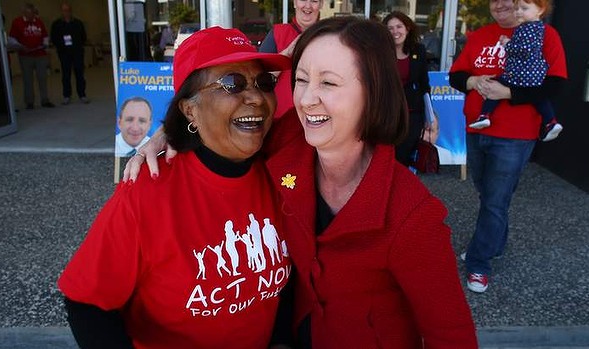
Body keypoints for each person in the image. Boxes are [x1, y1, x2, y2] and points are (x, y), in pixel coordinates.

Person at [127, 16, 478, 348]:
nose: (307, 98)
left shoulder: (413, 215)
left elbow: (451, 333)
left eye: (328, 82)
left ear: (374, 92)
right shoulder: (288, 142)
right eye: (302, 79)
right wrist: (169, 132)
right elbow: (222, 118)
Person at [58, 26, 292, 348]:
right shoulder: (148, 189)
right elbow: (87, 303)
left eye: (263, 83)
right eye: (233, 83)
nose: (255, 97)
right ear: (190, 109)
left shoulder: (282, 170)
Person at [449, 0, 567, 293]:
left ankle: (479, 263)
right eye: (495, 0)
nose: (501, 4)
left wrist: (509, 92)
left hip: (515, 135)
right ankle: (491, 244)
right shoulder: (479, 35)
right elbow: (455, 76)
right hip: (476, 128)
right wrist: (475, 81)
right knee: (487, 193)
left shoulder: (545, 34)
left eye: (511, 1)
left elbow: (555, 84)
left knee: (495, 200)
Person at [469, 0, 563, 142]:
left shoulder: (532, 29)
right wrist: (474, 81)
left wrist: (508, 45)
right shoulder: (531, 28)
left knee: (495, 86)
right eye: (517, 8)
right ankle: (550, 122)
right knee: (540, 101)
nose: (518, 12)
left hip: (521, 76)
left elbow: (525, 50)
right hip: (527, 75)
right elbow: (456, 76)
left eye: (524, 8)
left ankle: (485, 115)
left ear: (540, 10)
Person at [259, 0, 324, 118]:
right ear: (294, 3)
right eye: (303, 0)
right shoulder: (277, 34)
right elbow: (259, 79)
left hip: (319, 118)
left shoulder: (329, 37)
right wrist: (287, 53)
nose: (308, 6)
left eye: (314, 1)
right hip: (280, 122)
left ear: (321, 4)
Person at [382, 11, 431, 167]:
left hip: (412, 113)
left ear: (407, 28)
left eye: (399, 26)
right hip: (387, 114)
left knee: (404, 156)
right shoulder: (380, 52)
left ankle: (399, 188)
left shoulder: (418, 50)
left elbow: (424, 84)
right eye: (390, 28)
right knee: (385, 155)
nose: (395, 31)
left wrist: (430, 115)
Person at [9, 3, 54, 109]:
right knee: (27, 79)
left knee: (42, 78)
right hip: (25, 56)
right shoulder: (17, 22)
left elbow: (45, 36)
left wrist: (46, 45)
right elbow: (12, 40)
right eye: (29, 13)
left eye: (32, 13)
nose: (31, 16)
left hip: (40, 54)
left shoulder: (39, 22)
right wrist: (20, 47)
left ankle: (45, 100)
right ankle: (29, 102)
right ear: (24, 12)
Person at [51, 3, 89, 105]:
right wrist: (61, 45)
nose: (66, 12)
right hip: (64, 53)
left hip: (77, 52)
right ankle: (66, 95)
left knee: (79, 74)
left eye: (68, 10)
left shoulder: (78, 23)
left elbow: (83, 37)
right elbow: (53, 38)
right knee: (66, 74)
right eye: (64, 10)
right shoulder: (57, 24)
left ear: (71, 11)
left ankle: (82, 94)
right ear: (61, 12)